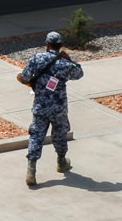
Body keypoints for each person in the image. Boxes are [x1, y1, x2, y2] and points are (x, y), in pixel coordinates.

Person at [16, 30, 83, 186]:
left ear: (47, 45)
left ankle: (31, 170)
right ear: (60, 46)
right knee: (59, 135)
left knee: (36, 135)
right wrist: (71, 59)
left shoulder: (37, 58)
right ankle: (61, 162)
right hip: (59, 108)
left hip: (40, 107)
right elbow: (79, 74)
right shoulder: (64, 63)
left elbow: (24, 77)